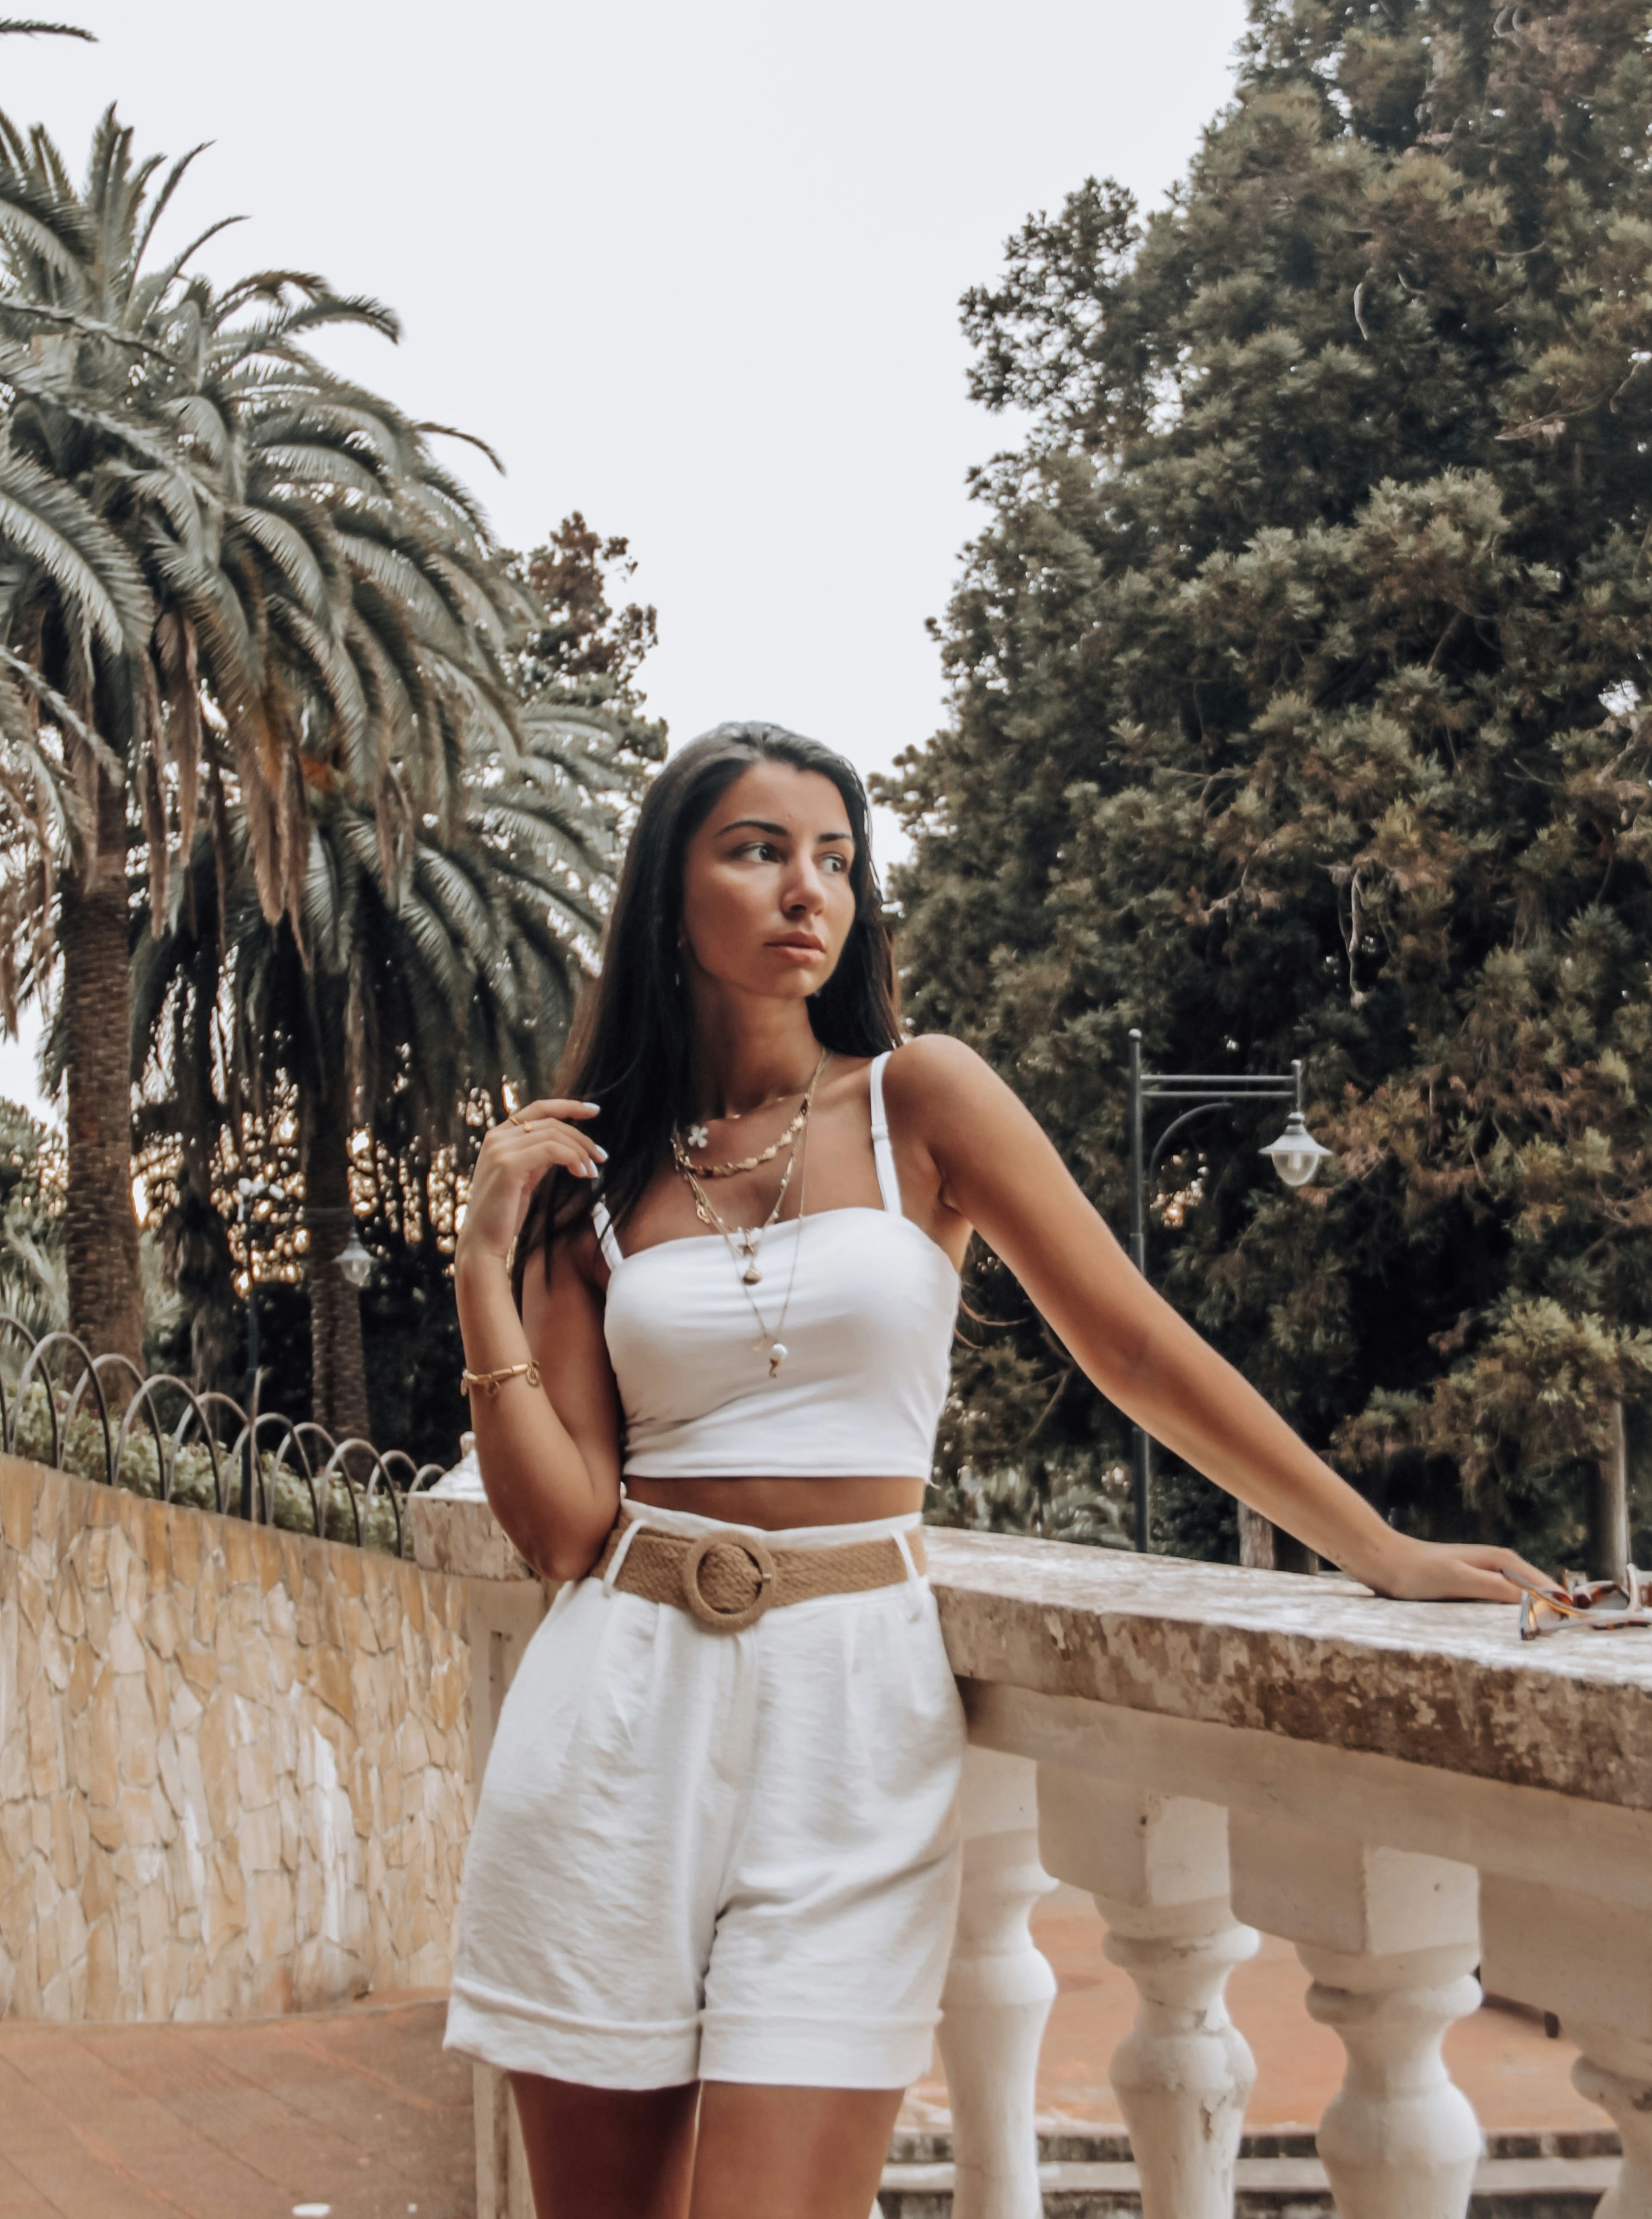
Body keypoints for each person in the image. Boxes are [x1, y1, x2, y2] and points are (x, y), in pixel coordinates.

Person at [444, 720, 1548, 2219]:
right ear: (668, 893)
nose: (804, 891)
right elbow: (563, 1529)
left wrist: (1376, 1548)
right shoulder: (602, 1175)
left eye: (832, 858)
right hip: (616, 1718)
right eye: (757, 850)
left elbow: (1136, 1348)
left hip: (849, 1711)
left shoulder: (921, 1101)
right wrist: (482, 1267)